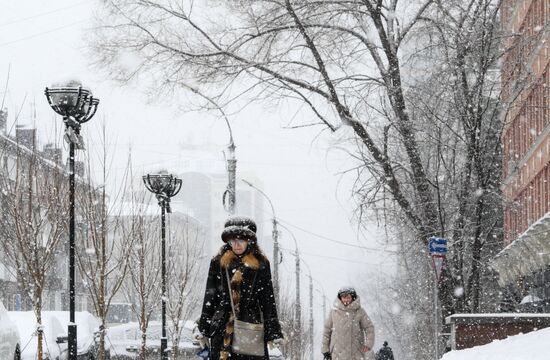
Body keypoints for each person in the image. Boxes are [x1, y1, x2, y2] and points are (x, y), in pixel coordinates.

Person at [196, 216, 284, 360]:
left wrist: (273, 332)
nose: (236, 245)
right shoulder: (218, 262)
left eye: (241, 240)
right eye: (232, 241)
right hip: (222, 328)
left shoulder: (261, 264)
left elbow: (267, 299)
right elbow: (210, 296)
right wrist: (204, 328)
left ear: (249, 241)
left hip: (250, 328)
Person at [322, 287, 375, 360]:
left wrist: (369, 343)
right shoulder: (334, 312)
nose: (345, 300)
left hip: (355, 353)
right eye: (343, 297)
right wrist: (325, 350)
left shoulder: (359, 311)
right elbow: (327, 331)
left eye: (348, 297)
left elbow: (369, 327)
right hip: (337, 353)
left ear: (353, 298)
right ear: (340, 298)